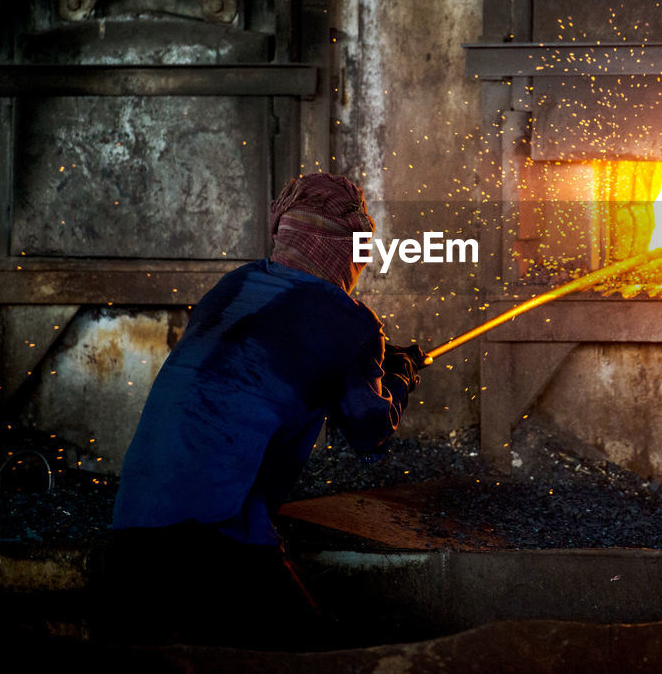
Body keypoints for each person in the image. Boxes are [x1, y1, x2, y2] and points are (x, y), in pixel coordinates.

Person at [95, 173, 424, 649]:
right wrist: (400, 378)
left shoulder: (233, 286)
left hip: (130, 530)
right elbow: (369, 433)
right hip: (213, 537)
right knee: (312, 659)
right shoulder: (351, 322)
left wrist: (371, 356)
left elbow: (272, 354)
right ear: (348, 249)